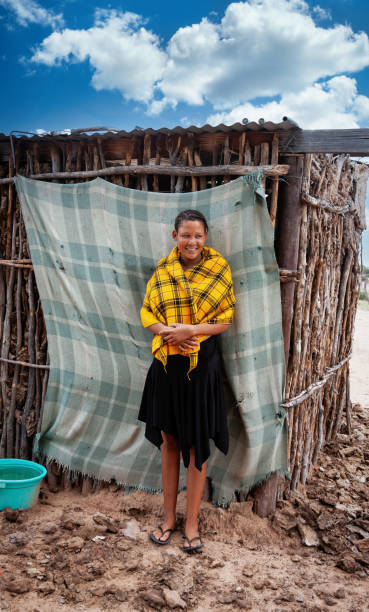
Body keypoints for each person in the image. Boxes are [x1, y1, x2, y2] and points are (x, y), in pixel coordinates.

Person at [138, 209, 235, 552]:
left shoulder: (218, 268)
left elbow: (226, 318)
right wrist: (167, 332)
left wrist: (192, 330)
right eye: (185, 235)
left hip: (201, 366)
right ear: (174, 236)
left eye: (198, 235)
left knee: (196, 444)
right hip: (166, 365)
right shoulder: (163, 271)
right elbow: (147, 311)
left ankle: (191, 522)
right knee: (170, 441)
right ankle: (168, 517)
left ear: (205, 238)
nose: (192, 241)